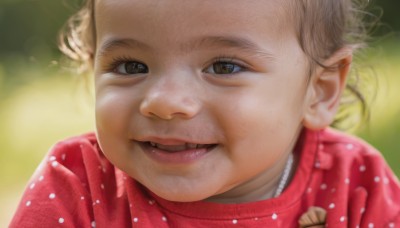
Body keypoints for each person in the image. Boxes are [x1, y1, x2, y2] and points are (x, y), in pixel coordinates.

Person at [10, 0, 400, 227]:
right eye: (131, 66)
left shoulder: (357, 188)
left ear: (319, 90)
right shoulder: (76, 189)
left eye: (224, 67)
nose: (165, 101)